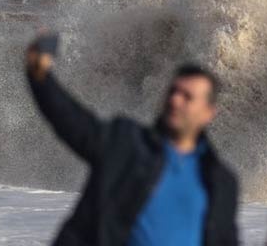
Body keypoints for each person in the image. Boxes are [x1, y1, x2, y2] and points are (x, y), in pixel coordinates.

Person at [25, 34, 239, 246]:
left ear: (209, 113)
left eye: (187, 96)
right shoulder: (126, 146)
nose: (175, 100)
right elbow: (71, 121)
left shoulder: (220, 181)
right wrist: (40, 75)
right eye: (173, 91)